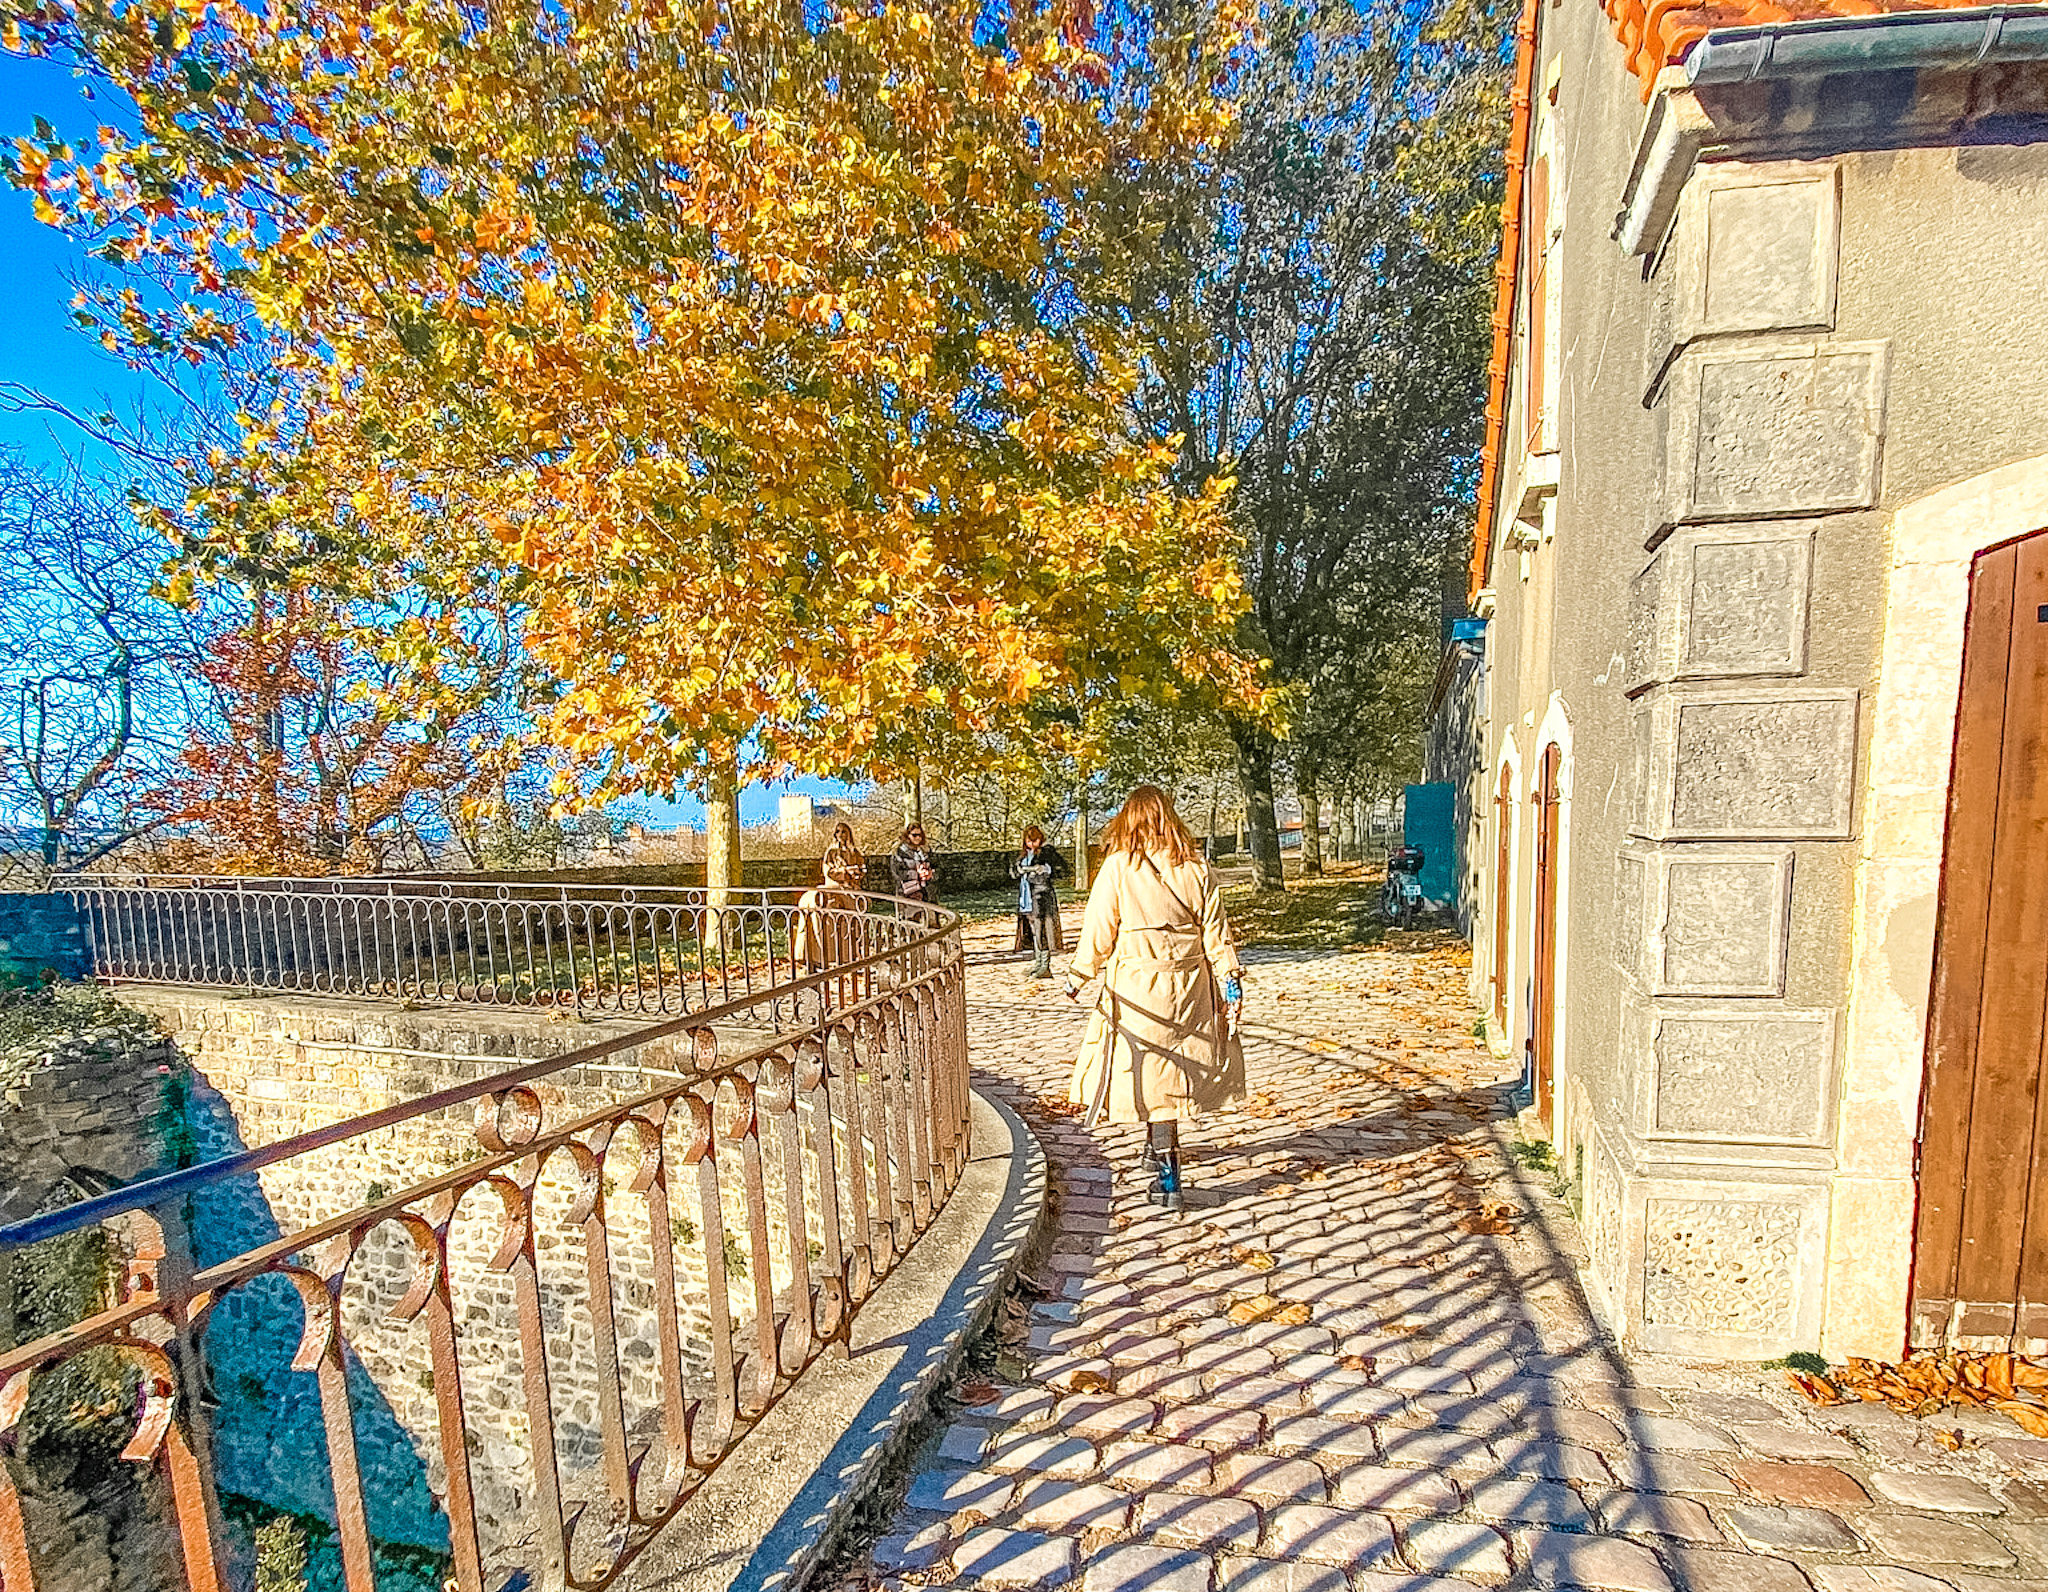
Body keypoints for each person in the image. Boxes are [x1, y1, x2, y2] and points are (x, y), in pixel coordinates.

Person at [1062, 785, 1246, 1210]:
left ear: (1128, 818)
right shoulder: (1196, 866)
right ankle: (1153, 1154)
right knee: (1171, 1072)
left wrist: (1077, 977)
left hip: (1137, 987)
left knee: (1153, 1077)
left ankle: (1169, 1182)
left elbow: (1098, 932)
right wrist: (1231, 985)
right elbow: (1218, 935)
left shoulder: (1117, 868)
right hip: (1190, 986)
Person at [1009, 826, 1065, 980]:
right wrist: (1018, 870)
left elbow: (1062, 869)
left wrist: (1046, 869)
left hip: (1042, 896)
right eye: (1029, 841)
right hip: (1026, 897)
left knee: (1042, 930)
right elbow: (1013, 872)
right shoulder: (1023, 855)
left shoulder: (1047, 852)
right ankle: (1038, 962)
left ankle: (1045, 966)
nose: (1032, 844)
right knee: (1034, 931)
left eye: (1035, 840)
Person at [888, 824, 939, 919]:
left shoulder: (926, 852)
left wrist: (930, 874)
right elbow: (897, 873)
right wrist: (917, 874)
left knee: (931, 923)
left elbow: (938, 868)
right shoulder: (899, 853)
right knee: (909, 923)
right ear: (907, 836)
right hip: (907, 893)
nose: (918, 838)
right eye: (914, 835)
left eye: (920, 835)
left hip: (927, 893)